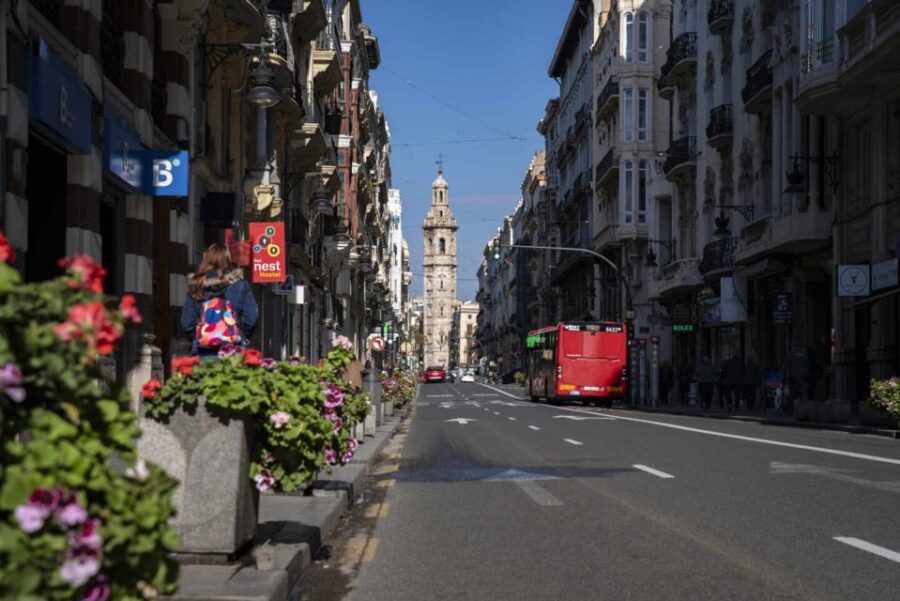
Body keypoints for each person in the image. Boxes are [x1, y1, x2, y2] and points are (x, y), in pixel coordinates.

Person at [181, 243, 259, 359]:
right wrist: (241, 337)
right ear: (227, 259)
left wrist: (201, 338)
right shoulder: (241, 285)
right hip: (233, 351)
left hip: (204, 352)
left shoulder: (196, 286)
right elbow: (252, 318)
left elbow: (187, 323)